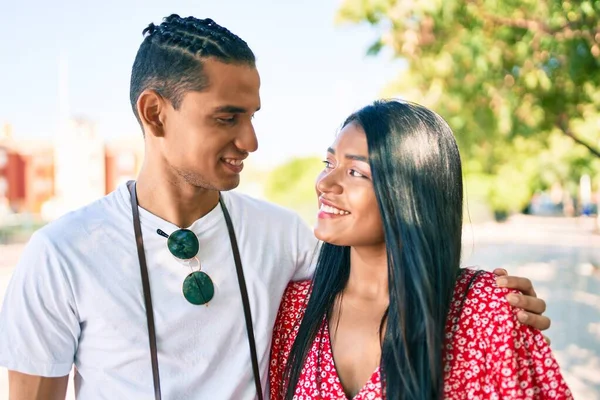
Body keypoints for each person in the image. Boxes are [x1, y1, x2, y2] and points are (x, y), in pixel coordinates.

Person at [0, 15, 550, 400]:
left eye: (253, 115)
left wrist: (486, 299)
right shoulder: (61, 256)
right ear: (155, 113)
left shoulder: (282, 237)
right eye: (227, 117)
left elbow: (387, 267)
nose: (251, 140)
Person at [270, 100, 572, 399]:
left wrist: (503, 311)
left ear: (409, 196)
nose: (325, 183)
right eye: (329, 164)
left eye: (356, 173)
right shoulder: (295, 309)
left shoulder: (482, 311)